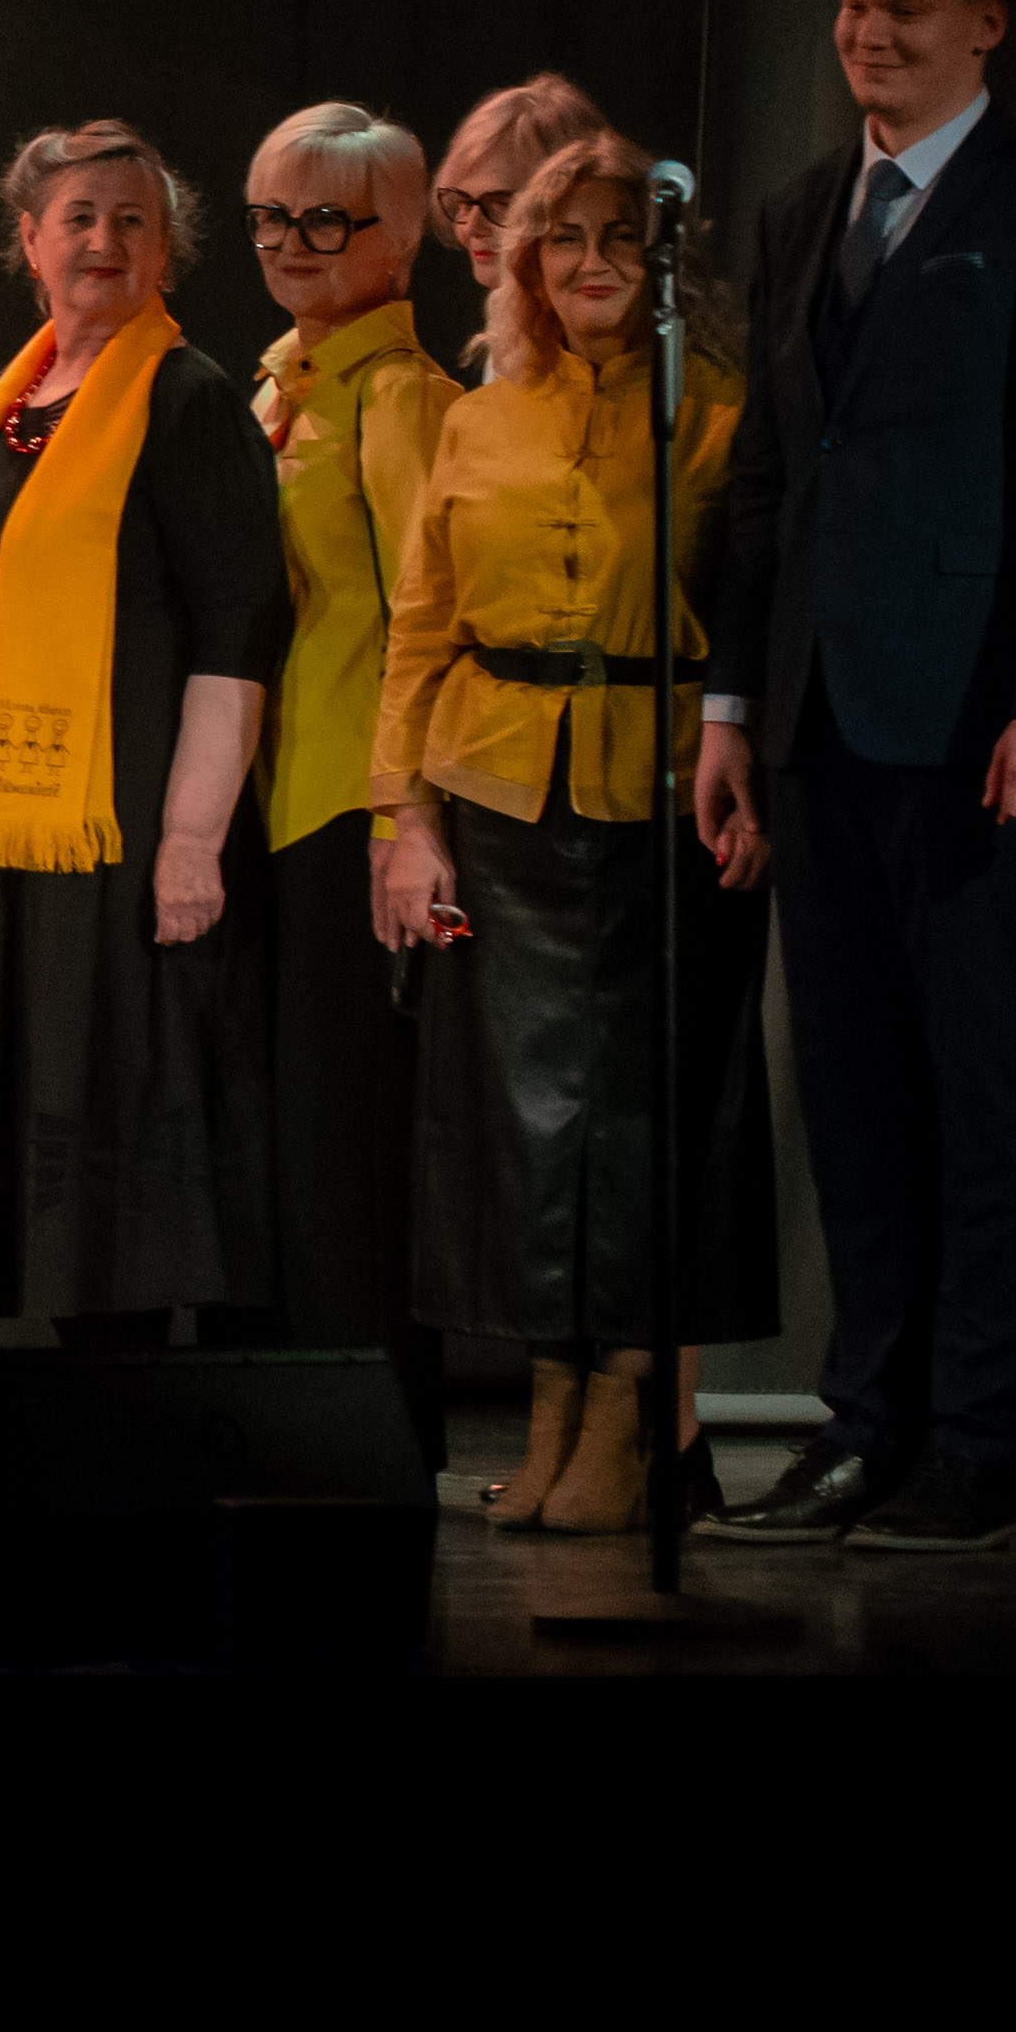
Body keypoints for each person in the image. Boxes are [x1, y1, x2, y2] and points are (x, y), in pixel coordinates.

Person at [693, 0, 1016, 1554]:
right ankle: (860, 1432)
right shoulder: (800, 209)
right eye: (850, 4)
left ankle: (970, 1447)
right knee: (853, 1092)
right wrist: (730, 703)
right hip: (815, 722)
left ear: (984, 24)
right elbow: (768, 478)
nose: (866, 32)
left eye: (901, 8)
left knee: (981, 1087)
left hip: (977, 729)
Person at [368, 135, 779, 1533]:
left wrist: (754, 774)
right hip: (499, 800)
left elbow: (754, 614)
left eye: (618, 236)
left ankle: (629, 1421)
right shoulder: (480, 418)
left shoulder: (716, 414)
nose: (591, 260)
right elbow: (419, 625)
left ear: (662, 261)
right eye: (564, 238)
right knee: (523, 1135)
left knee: (650, 1126)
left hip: (664, 800)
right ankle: (548, 1417)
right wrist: (404, 814)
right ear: (526, 264)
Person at [0, 123, 285, 1347]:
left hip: (122, 839)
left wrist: (191, 840)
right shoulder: (8, 404)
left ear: (167, 250)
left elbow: (237, 634)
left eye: (131, 220)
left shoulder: (188, 398)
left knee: (114, 1152)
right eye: (78, 218)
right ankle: (77, 1410)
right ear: (29, 241)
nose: (103, 239)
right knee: (39, 1151)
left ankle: (126, 1418)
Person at [232, 102, 455, 1458]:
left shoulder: (401, 395)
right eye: (271, 216)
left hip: (346, 810)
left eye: (325, 218)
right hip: (260, 807)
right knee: (275, 1134)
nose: (291, 243)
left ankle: (368, 1432)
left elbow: (430, 616)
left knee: (343, 1141)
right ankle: (281, 1421)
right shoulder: (275, 386)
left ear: (400, 235)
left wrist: (401, 813)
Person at [430, 74, 616, 379]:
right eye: (462, 201)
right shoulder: (510, 335)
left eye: (501, 204)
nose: (472, 226)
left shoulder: (592, 350)